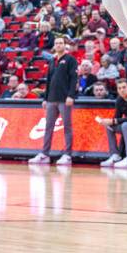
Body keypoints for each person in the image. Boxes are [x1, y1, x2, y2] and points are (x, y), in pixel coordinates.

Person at [29, 37, 79, 166]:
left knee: (67, 127)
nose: (58, 45)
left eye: (60, 43)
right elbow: (48, 81)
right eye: (56, 43)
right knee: (48, 127)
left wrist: (71, 96)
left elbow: (74, 79)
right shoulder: (52, 60)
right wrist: (45, 98)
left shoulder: (70, 60)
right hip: (51, 99)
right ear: (54, 46)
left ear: (64, 45)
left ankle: (68, 155)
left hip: (64, 99)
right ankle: (45, 154)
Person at [96, 79, 127, 167]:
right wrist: (107, 121)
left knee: (125, 125)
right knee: (109, 126)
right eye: (119, 88)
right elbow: (117, 117)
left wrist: (114, 121)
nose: (122, 90)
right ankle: (115, 155)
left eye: (124, 87)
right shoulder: (119, 100)